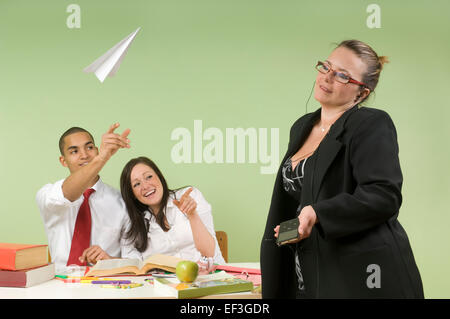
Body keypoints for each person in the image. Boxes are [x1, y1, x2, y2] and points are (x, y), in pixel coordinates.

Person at [260, 40, 424, 298]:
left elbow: (383, 195)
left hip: (361, 279)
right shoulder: (302, 126)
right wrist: (294, 227)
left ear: (363, 93)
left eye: (343, 76)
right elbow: (300, 199)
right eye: (326, 66)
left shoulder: (370, 123)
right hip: (308, 276)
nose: (327, 77)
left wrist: (317, 214)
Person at [36, 123, 135, 273]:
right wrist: (102, 158)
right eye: (74, 151)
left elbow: (133, 260)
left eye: (89, 148)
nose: (84, 155)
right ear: (63, 161)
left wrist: (109, 261)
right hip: (60, 284)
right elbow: (68, 194)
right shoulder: (48, 194)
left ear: (96, 150)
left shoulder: (121, 202)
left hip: (105, 283)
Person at [119, 156, 225, 267]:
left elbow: (209, 253)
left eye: (149, 177)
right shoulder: (134, 224)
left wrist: (192, 215)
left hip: (211, 276)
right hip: (167, 282)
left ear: (159, 177)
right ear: (132, 194)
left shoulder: (190, 196)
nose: (145, 186)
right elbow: (132, 264)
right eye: (137, 184)